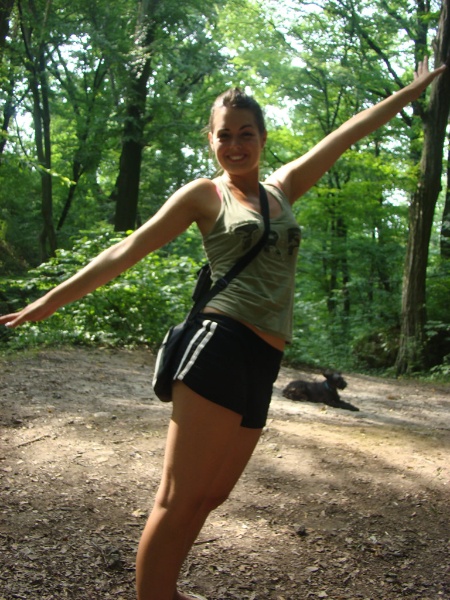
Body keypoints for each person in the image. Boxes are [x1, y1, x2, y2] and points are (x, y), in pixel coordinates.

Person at [0, 57, 446, 600]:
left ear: (262, 138)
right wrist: (48, 302)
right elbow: (127, 250)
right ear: (211, 141)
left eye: (246, 133)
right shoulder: (205, 195)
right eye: (224, 135)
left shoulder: (282, 189)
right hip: (219, 344)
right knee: (178, 497)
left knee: (211, 495)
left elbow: (347, 134)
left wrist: (411, 92)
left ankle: (165, 589)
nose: (235, 145)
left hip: (265, 358)